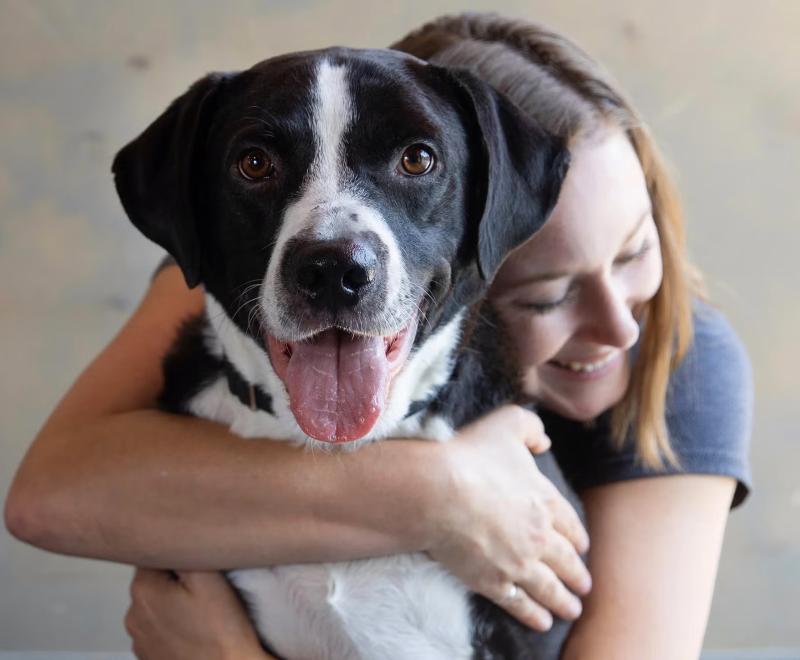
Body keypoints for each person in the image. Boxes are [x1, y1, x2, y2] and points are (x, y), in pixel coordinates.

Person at [4, 12, 752, 660]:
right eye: (543, 294)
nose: (619, 326)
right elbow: (45, 498)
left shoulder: (685, 360)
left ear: (490, 217)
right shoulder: (216, 282)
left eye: (633, 254)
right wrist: (441, 491)